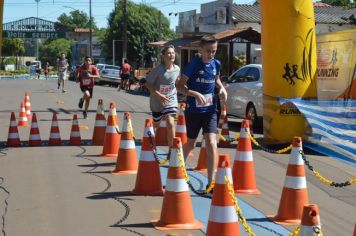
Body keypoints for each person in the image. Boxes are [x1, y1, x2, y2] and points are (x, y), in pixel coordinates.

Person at [176, 35, 227, 190]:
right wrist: (194, 94)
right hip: (193, 110)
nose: (211, 54)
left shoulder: (216, 64)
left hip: (210, 110)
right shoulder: (193, 64)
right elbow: (179, 86)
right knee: (190, 143)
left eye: (214, 51)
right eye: (208, 51)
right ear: (200, 50)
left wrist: (222, 88)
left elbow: (216, 79)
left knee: (211, 143)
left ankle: (211, 183)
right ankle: (178, 169)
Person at [145, 45, 180, 158]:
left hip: (170, 99)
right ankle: (150, 144)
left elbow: (176, 82)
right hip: (157, 101)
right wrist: (159, 95)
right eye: (168, 53)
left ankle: (172, 150)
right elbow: (148, 84)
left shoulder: (177, 69)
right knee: (156, 124)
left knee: (170, 122)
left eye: (173, 53)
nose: (171, 55)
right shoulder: (158, 70)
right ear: (164, 56)